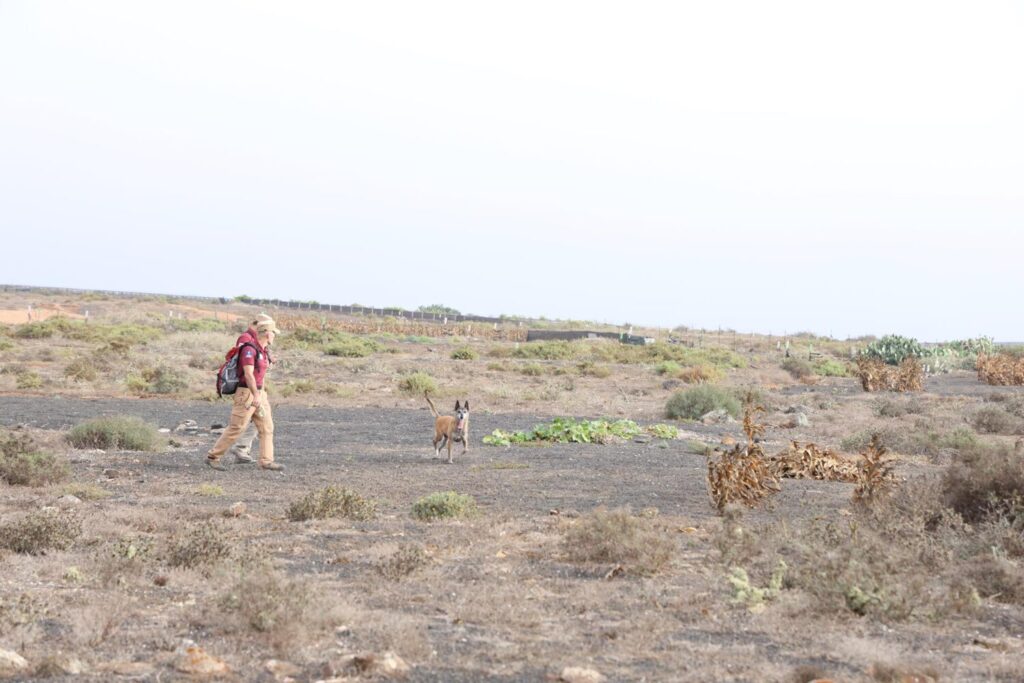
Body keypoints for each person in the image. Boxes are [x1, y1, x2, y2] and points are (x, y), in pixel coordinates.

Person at [206, 316, 283, 471]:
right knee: (237, 427)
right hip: (247, 394)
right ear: (267, 333)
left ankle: (266, 461)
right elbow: (248, 374)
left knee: (267, 427)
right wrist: (256, 395)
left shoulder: (262, 350)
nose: (274, 336)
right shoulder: (249, 349)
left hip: (259, 393)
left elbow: (259, 372)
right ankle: (213, 457)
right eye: (273, 333)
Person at [229, 315, 275, 464]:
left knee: (257, 421)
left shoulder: (254, 340)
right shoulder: (247, 339)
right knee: (245, 422)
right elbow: (245, 366)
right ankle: (239, 449)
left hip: (255, 387)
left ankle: (242, 449)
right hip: (247, 388)